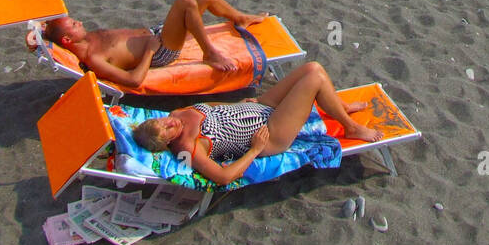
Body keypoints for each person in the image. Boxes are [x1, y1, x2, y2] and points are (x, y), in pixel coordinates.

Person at [132, 61, 382, 186]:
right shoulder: (188, 147)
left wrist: (238, 104)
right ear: (166, 143)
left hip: (258, 106)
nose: (169, 123)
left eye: (162, 121)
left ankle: (337, 105)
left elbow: (212, 109)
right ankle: (350, 126)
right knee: (314, 79)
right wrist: (254, 149)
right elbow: (223, 177)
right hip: (269, 134)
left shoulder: (177, 113)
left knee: (311, 67)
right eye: (166, 131)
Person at [39, 0, 267, 84]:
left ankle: (240, 18)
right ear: (67, 40)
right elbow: (134, 81)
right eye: (72, 24)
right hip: (160, 51)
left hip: (156, 34)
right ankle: (210, 53)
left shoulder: (86, 37)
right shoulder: (94, 58)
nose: (78, 22)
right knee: (186, 0)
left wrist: (35, 38)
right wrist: (149, 50)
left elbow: (39, 26)